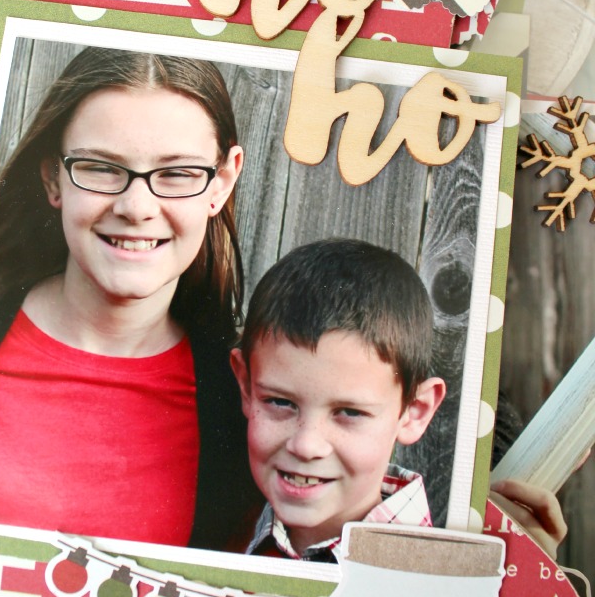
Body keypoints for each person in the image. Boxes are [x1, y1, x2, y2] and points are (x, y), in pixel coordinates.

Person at [0, 47, 261, 550]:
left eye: (177, 174)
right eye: (101, 168)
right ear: (53, 178)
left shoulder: (246, 410)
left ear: (221, 182)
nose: (137, 207)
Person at [231, 238, 567, 561]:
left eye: (349, 412)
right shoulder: (222, 542)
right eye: (280, 403)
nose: (306, 446)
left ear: (415, 411)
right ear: (246, 386)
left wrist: (521, 582)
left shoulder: (451, 570)